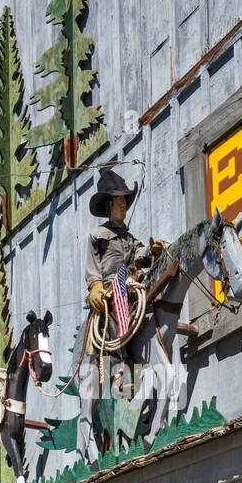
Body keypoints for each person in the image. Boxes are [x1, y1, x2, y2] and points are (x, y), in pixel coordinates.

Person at [85, 168, 150, 396]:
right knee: (114, 313)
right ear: (110, 206)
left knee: (148, 305)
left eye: (125, 201)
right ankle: (116, 374)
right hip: (110, 290)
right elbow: (92, 266)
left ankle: (143, 362)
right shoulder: (98, 235)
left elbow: (142, 255)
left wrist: (154, 250)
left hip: (131, 284)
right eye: (119, 202)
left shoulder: (130, 238)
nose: (123, 206)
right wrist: (95, 287)